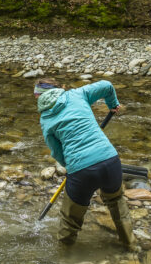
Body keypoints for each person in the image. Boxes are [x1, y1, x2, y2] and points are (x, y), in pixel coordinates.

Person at [35, 77, 135, 248]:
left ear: (38, 98)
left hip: (82, 172)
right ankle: (130, 245)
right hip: (110, 160)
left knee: (70, 220)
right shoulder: (77, 94)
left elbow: (57, 152)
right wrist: (112, 104)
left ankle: (64, 262)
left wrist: (72, 166)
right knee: (117, 204)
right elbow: (107, 86)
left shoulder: (45, 119)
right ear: (60, 88)